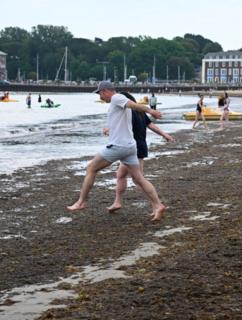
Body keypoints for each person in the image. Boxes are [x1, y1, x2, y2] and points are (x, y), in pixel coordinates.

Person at [67, 81, 166, 221]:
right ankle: (158, 205)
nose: (101, 97)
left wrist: (151, 111)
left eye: (100, 94)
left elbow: (133, 105)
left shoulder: (116, 98)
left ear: (105, 91)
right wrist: (110, 129)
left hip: (119, 147)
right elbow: (123, 118)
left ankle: (81, 202)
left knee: (91, 168)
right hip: (131, 147)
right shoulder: (118, 103)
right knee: (139, 179)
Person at [107, 91, 174, 213]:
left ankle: (157, 205)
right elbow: (151, 125)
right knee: (121, 175)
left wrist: (110, 130)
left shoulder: (127, 112)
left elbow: (123, 130)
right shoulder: (139, 111)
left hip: (132, 148)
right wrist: (164, 134)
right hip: (139, 146)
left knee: (138, 180)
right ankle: (117, 202)